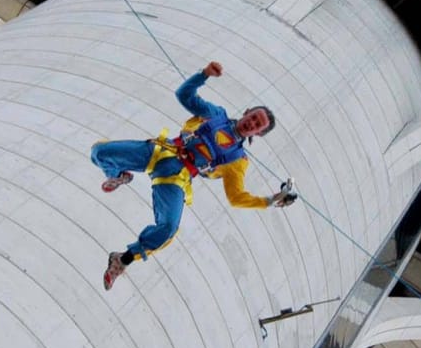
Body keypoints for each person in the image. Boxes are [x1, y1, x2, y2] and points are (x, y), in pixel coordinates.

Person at [91, 61, 299, 289]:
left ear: (258, 134)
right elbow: (184, 95)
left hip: (175, 179)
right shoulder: (215, 114)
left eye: (258, 125)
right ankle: (120, 175)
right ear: (247, 111)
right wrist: (204, 75)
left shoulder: (238, 161)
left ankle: (123, 259)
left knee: (169, 228)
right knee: (100, 152)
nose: (252, 123)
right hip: (160, 152)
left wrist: (269, 200)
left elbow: (236, 196)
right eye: (254, 117)